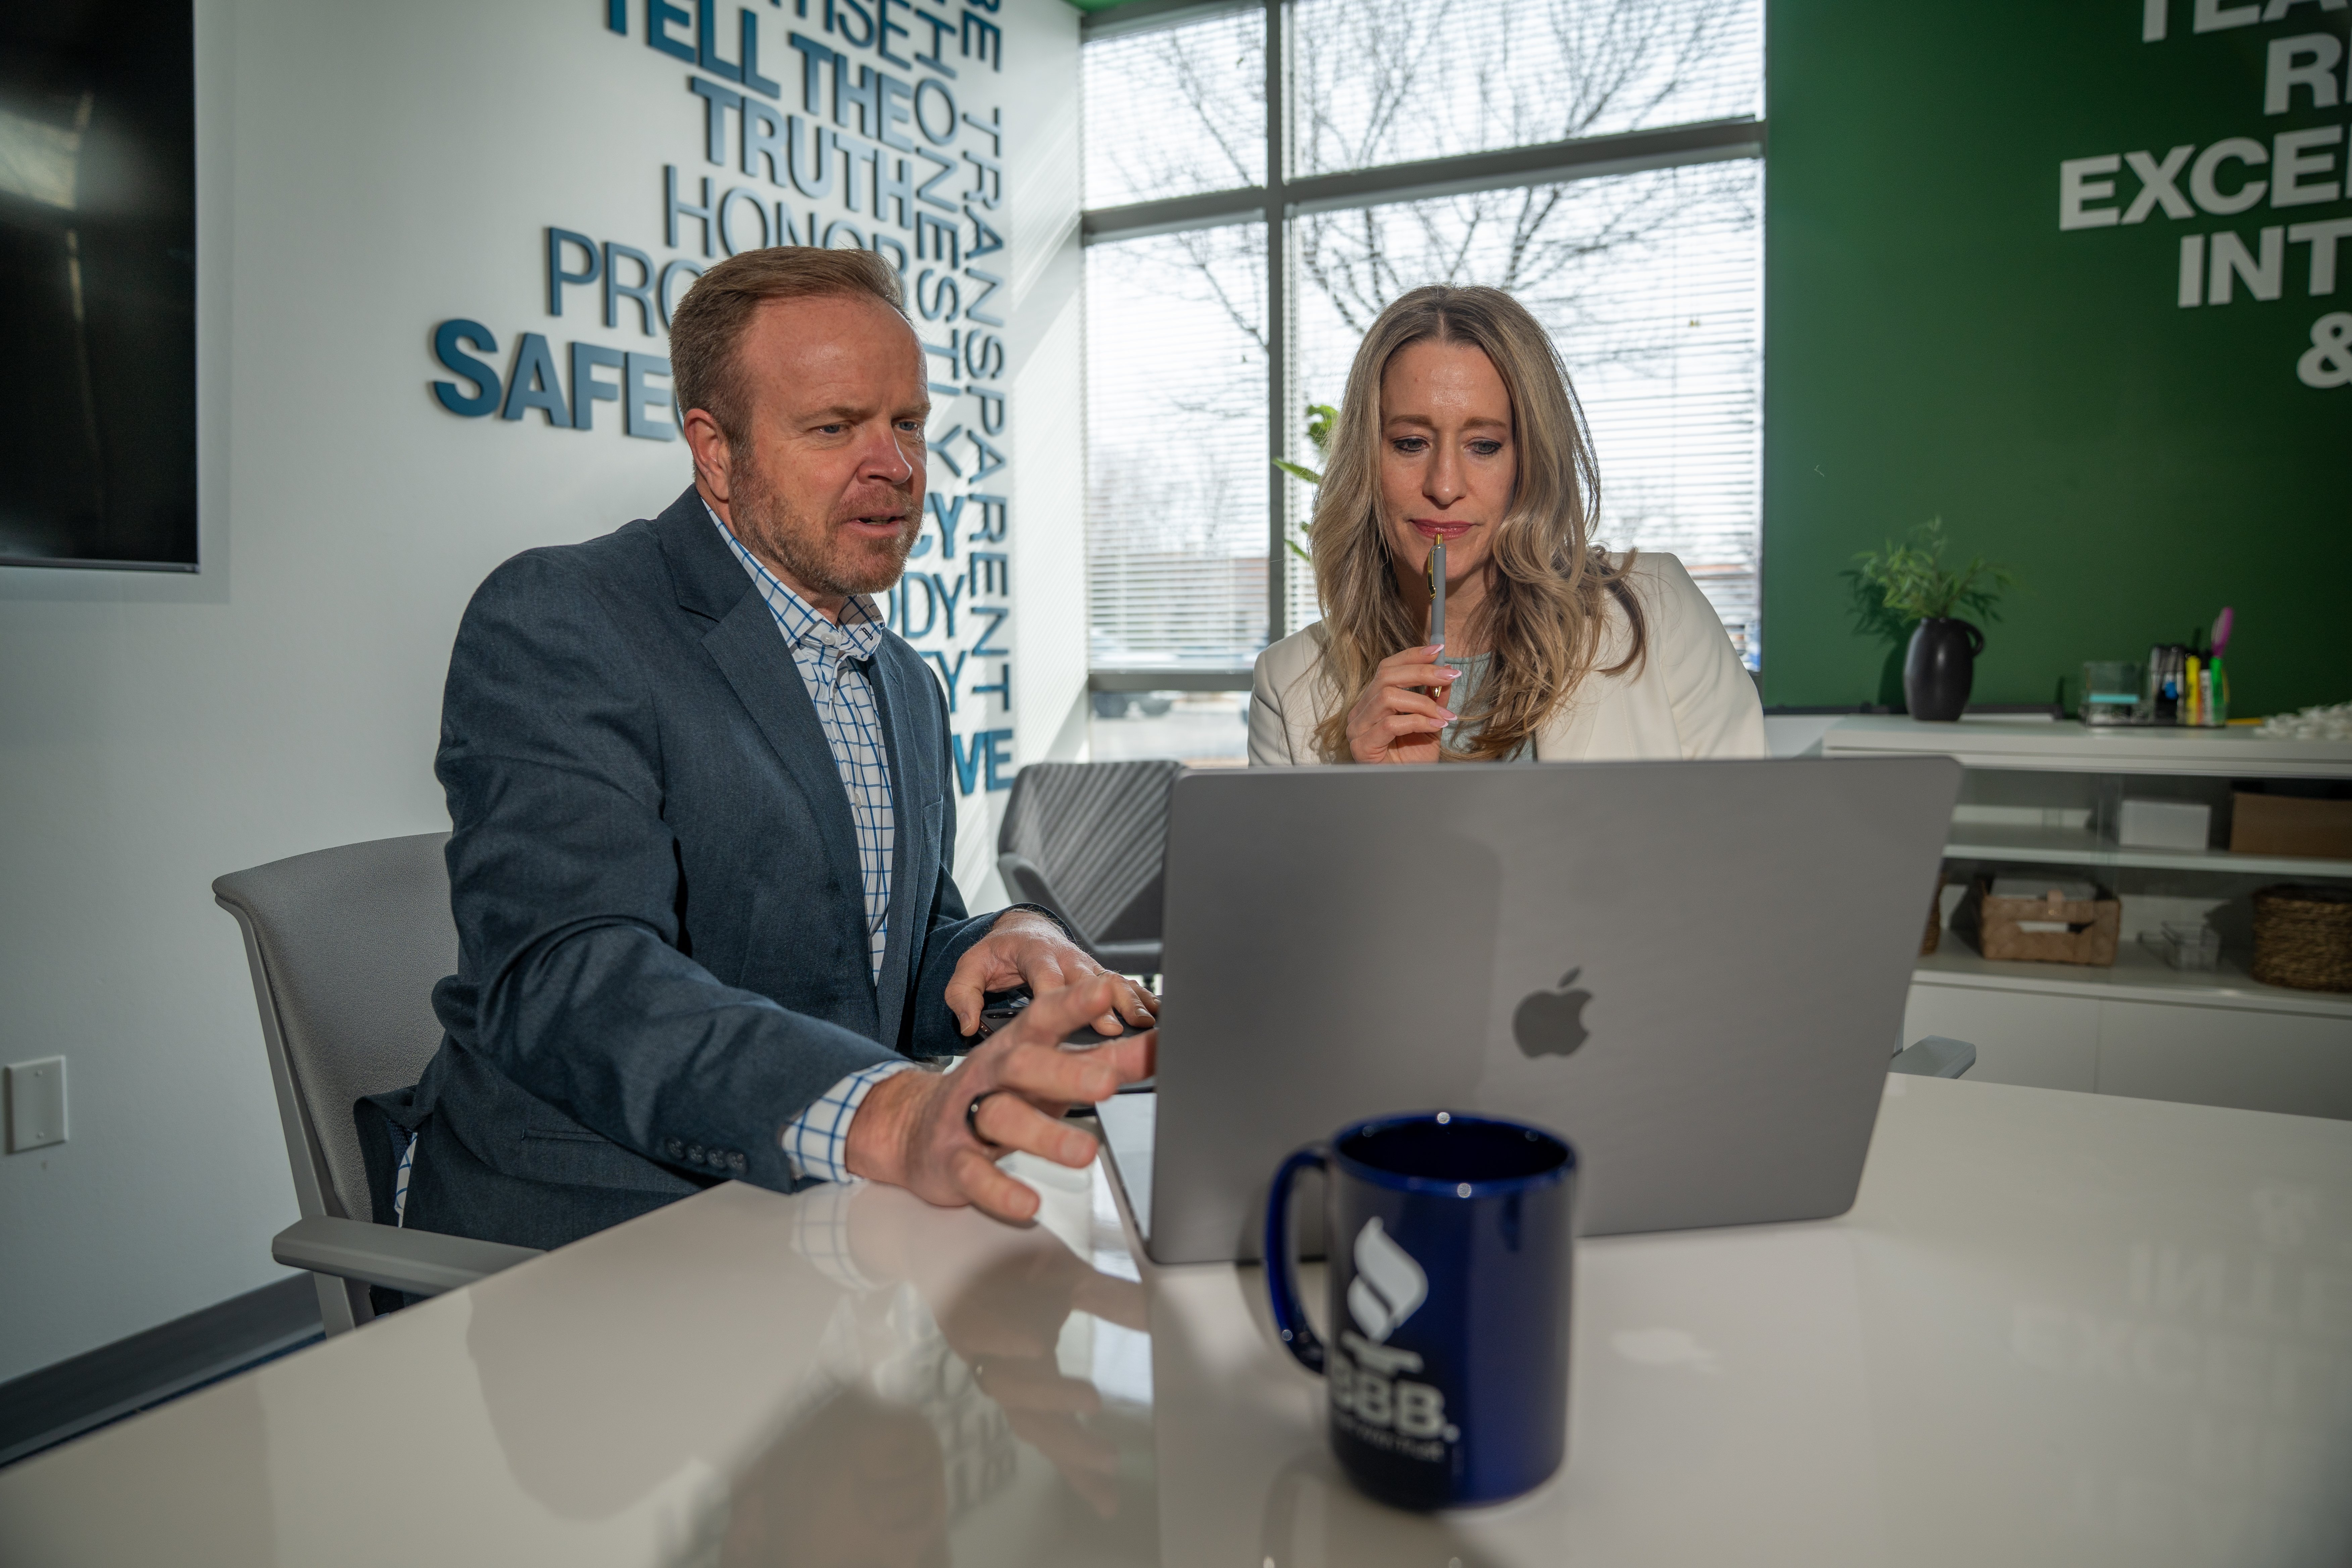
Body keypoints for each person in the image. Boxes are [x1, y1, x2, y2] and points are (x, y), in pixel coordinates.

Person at [362, 247, 1155, 1259]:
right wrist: (887, 1114)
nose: (896, 468)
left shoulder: (902, 682)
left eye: (907, 424)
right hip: (595, 1238)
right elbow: (573, 976)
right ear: (716, 453)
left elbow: (865, 962)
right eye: (833, 428)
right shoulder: (564, 618)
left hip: (820, 1230)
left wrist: (989, 944)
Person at [1249, 285, 1766, 766]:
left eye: (1485, 446)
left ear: (1530, 461)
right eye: (1411, 443)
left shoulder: (1657, 612)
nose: (1445, 486)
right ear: (1365, 460)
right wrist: (1371, 801)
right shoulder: (1288, 685)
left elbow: (1750, 846)